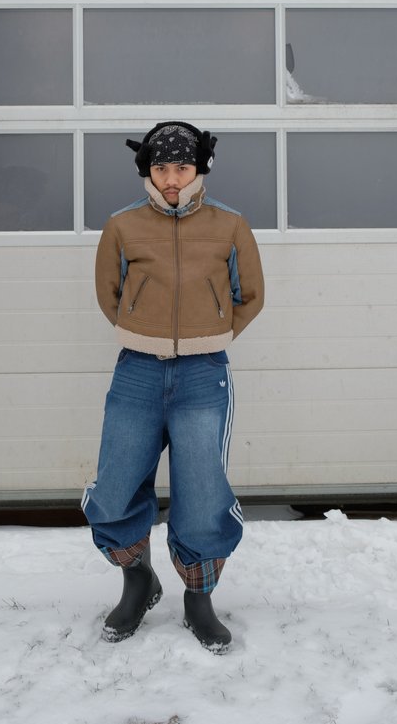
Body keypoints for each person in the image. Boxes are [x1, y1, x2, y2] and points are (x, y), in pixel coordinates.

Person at [83, 121, 264, 653]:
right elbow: (110, 294)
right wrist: (142, 329)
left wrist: (214, 334)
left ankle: (198, 598)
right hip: (137, 371)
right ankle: (138, 580)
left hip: (203, 374)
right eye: (161, 167)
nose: (171, 178)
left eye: (182, 167)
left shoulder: (230, 225)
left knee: (203, 492)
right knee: (115, 485)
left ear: (199, 168)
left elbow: (249, 294)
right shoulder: (122, 226)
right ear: (148, 170)